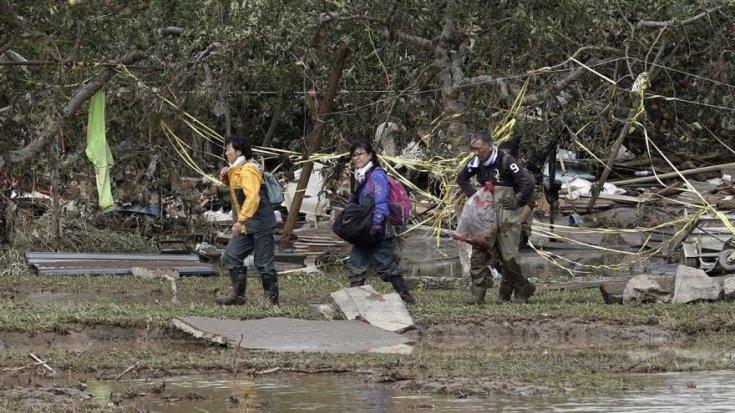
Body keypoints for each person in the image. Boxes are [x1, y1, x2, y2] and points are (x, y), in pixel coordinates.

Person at [456, 130, 536, 304]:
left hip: (505, 214)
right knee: (478, 253)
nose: (475, 153)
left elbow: (528, 183)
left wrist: (517, 201)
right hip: (484, 213)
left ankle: (523, 288)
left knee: (508, 259)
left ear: (490, 145)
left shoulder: (506, 160)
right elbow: (461, 179)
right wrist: (475, 196)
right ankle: (477, 296)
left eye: (478, 149)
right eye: (473, 149)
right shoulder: (476, 162)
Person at [345, 142, 416, 304]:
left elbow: (381, 202)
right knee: (356, 264)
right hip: (363, 230)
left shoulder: (377, 175)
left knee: (385, 265)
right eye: (354, 155)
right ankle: (356, 301)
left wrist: (377, 223)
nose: (357, 158)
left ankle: (406, 297)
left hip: (379, 229)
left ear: (370, 155)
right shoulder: (360, 175)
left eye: (360, 154)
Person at [217, 133, 279, 305]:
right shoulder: (237, 169)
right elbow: (238, 190)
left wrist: (240, 220)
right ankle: (238, 296)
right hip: (247, 225)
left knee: (263, 262)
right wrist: (226, 176)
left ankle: (272, 301)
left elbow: (252, 197)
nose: (226, 152)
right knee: (231, 254)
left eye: (228, 149)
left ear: (238, 151)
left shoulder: (248, 169)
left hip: (260, 223)